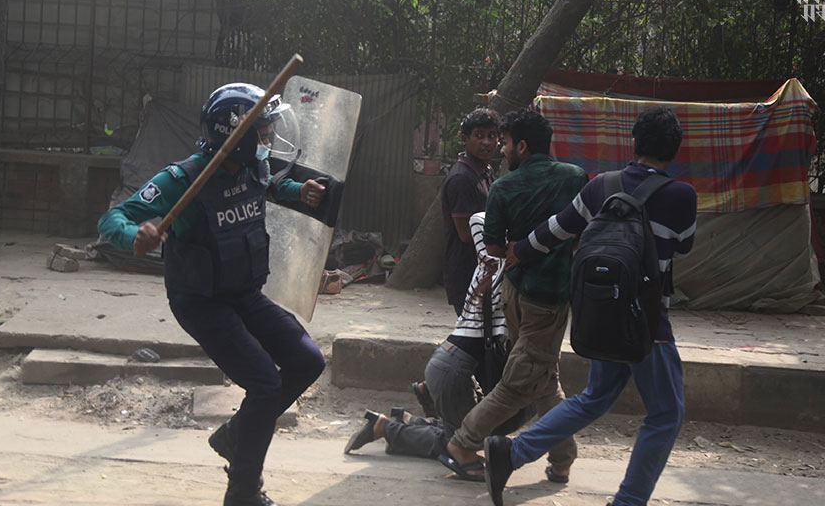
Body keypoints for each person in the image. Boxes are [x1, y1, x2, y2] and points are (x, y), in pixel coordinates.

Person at [97, 83, 329, 506]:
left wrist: (300, 191)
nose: (267, 141)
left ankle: (235, 435)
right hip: (201, 301)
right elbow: (113, 218)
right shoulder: (183, 179)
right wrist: (136, 237)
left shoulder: (250, 166)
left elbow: (271, 188)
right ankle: (242, 491)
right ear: (232, 136)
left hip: (244, 293)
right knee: (264, 383)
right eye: (261, 132)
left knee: (307, 360)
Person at [484, 107, 698, 506]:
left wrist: (518, 252)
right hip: (648, 323)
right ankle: (629, 500)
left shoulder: (602, 186)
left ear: (635, 143)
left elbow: (556, 229)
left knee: (595, 398)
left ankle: (510, 452)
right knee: (666, 414)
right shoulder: (681, 195)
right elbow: (684, 244)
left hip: (601, 313)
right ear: (674, 151)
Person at [439, 108, 588, 482]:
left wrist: (520, 249)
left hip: (514, 294)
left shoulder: (504, 187)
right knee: (522, 380)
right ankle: (462, 443)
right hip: (550, 298)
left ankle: (563, 456)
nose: (500, 149)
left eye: (503, 142)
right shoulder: (575, 178)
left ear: (521, 146)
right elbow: (583, 232)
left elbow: (492, 247)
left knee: (540, 376)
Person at [343, 212, 531, 472]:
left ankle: (406, 420)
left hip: (448, 366)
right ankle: (386, 428)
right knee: (457, 443)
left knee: (482, 426)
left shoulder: (490, 273)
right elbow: (478, 220)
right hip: (451, 372)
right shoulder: (501, 276)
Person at [413, 108, 500, 417]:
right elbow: (466, 235)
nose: (487, 142)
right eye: (479, 136)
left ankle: (434, 390)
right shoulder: (463, 178)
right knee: (473, 341)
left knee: (478, 339)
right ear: (464, 140)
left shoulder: (485, 171)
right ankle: (437, 392)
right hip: (467, 274)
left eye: (492, 136)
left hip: (480, 273)